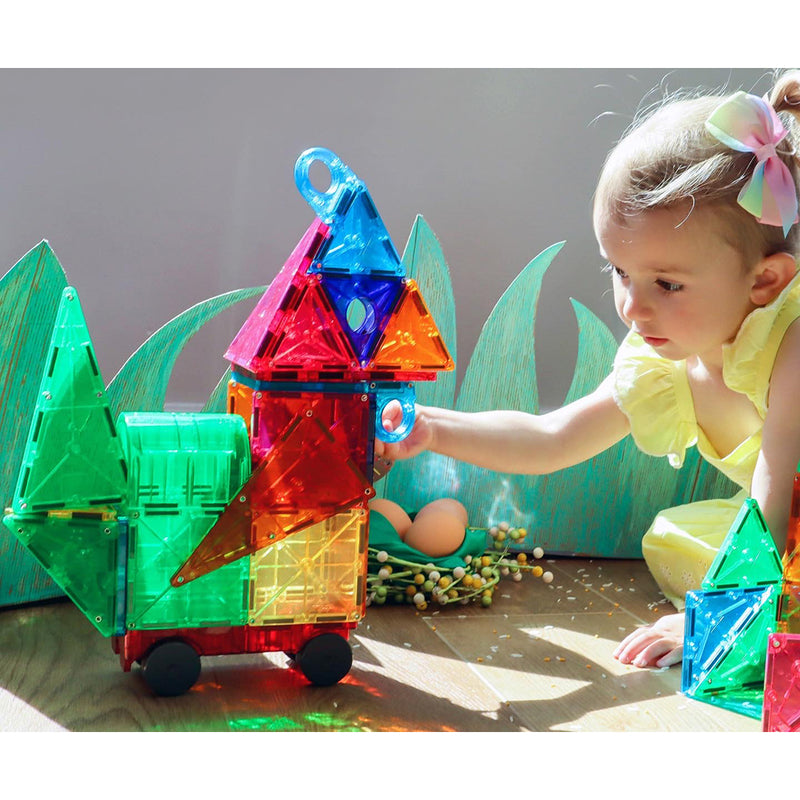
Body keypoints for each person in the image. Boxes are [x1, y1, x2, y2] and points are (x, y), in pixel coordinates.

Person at [375, 70, 800, 669]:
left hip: (786, 517)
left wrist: (722, 622)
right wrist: (433, 427)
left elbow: (775, 500)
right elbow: (553, 438)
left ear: (765, 281)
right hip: (779, 524)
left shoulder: (790, 346)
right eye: (620, 273)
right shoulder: (666, 356)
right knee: (685, 547)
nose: (632, 307)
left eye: (667, 284)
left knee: (750, 577)